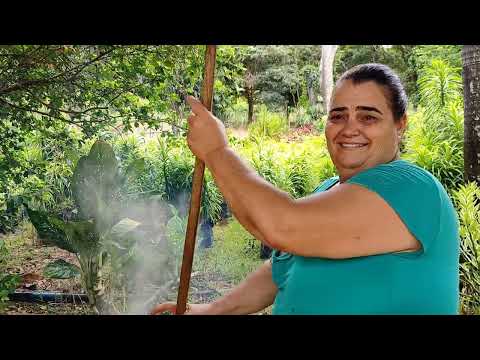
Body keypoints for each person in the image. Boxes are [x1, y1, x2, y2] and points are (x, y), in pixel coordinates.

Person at [151, 63, 459, 315]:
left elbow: (281, 227)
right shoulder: (328, 190)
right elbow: (279, 270)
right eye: (338, 116)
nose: (349, 128)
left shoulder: (412, 188)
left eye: (368, 116)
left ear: (400, 125)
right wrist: (212, 311)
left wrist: (218, 152)